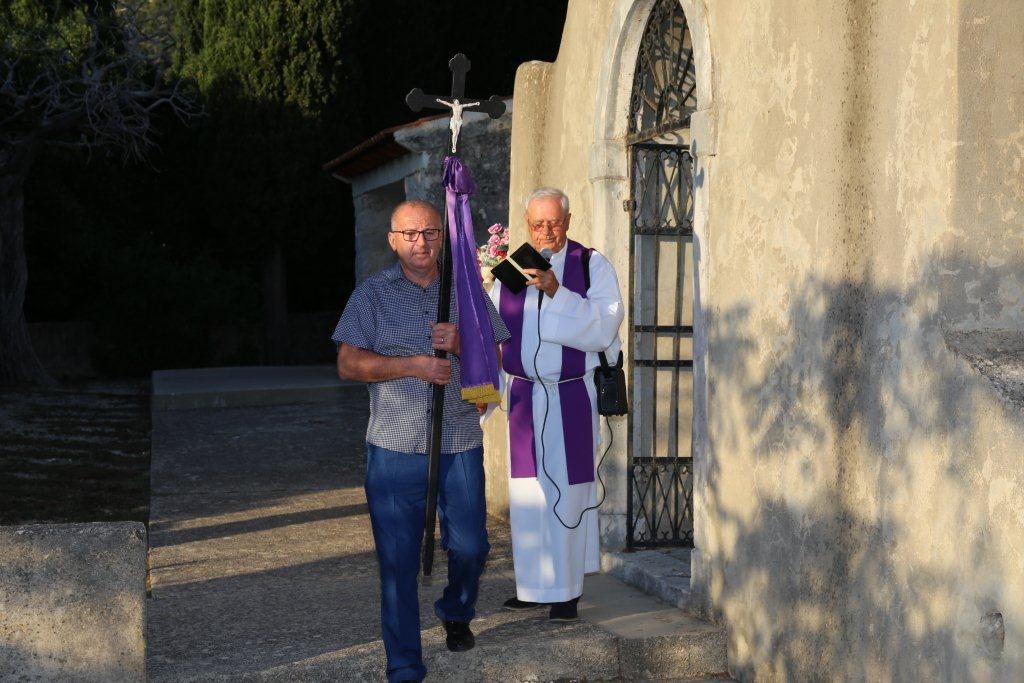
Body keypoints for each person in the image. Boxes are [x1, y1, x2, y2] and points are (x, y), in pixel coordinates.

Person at [332, 200, 510, 683]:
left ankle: (456, 608)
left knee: (471, 546)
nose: (421, 242)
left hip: (458, 441)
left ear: (442, 238)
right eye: (409, 234)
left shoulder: (467, 293)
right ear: (393, 240)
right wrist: (412, 365)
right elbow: (348, 363)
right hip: (394, 447)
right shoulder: (372, 294)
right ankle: (405, 667)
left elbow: (496, 355)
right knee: (398, 564)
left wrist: (462, 345)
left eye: (430, 232)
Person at [488, 187, 624, 622]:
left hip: (570, 394)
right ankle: (533, 587)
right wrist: (484, 394)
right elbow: (495, 333)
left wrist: (556, 291)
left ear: (568, 221)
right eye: (537, 223)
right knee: (528, 494)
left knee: (568, 489)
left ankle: (566, 590)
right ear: (527, 225)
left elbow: (604, 327)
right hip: (524, 395)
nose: (546, 231)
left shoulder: (590, 264)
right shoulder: (513, 268)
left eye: (554, 222)